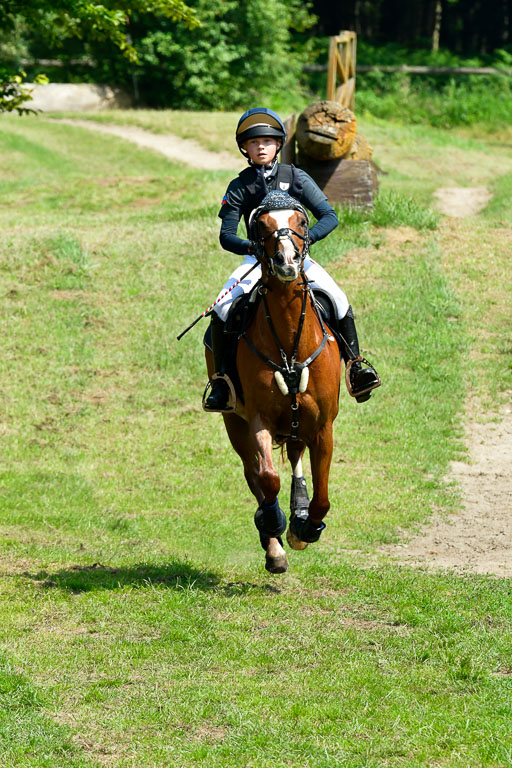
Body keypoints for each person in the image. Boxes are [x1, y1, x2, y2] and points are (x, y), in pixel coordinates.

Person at [204, 107, 380, 411]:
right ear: (244, 148)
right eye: (254, 142)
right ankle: (221, 382)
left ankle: (356, 366)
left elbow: (329, 216)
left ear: (278, 145)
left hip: (299, 260)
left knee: (338, 298)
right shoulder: (239, 186)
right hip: (257, 261)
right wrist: (252, 248)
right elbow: (226, 235)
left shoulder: (297, 177)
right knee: (221, 306)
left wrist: (304, 243)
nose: (261, 147)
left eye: (268, 141)